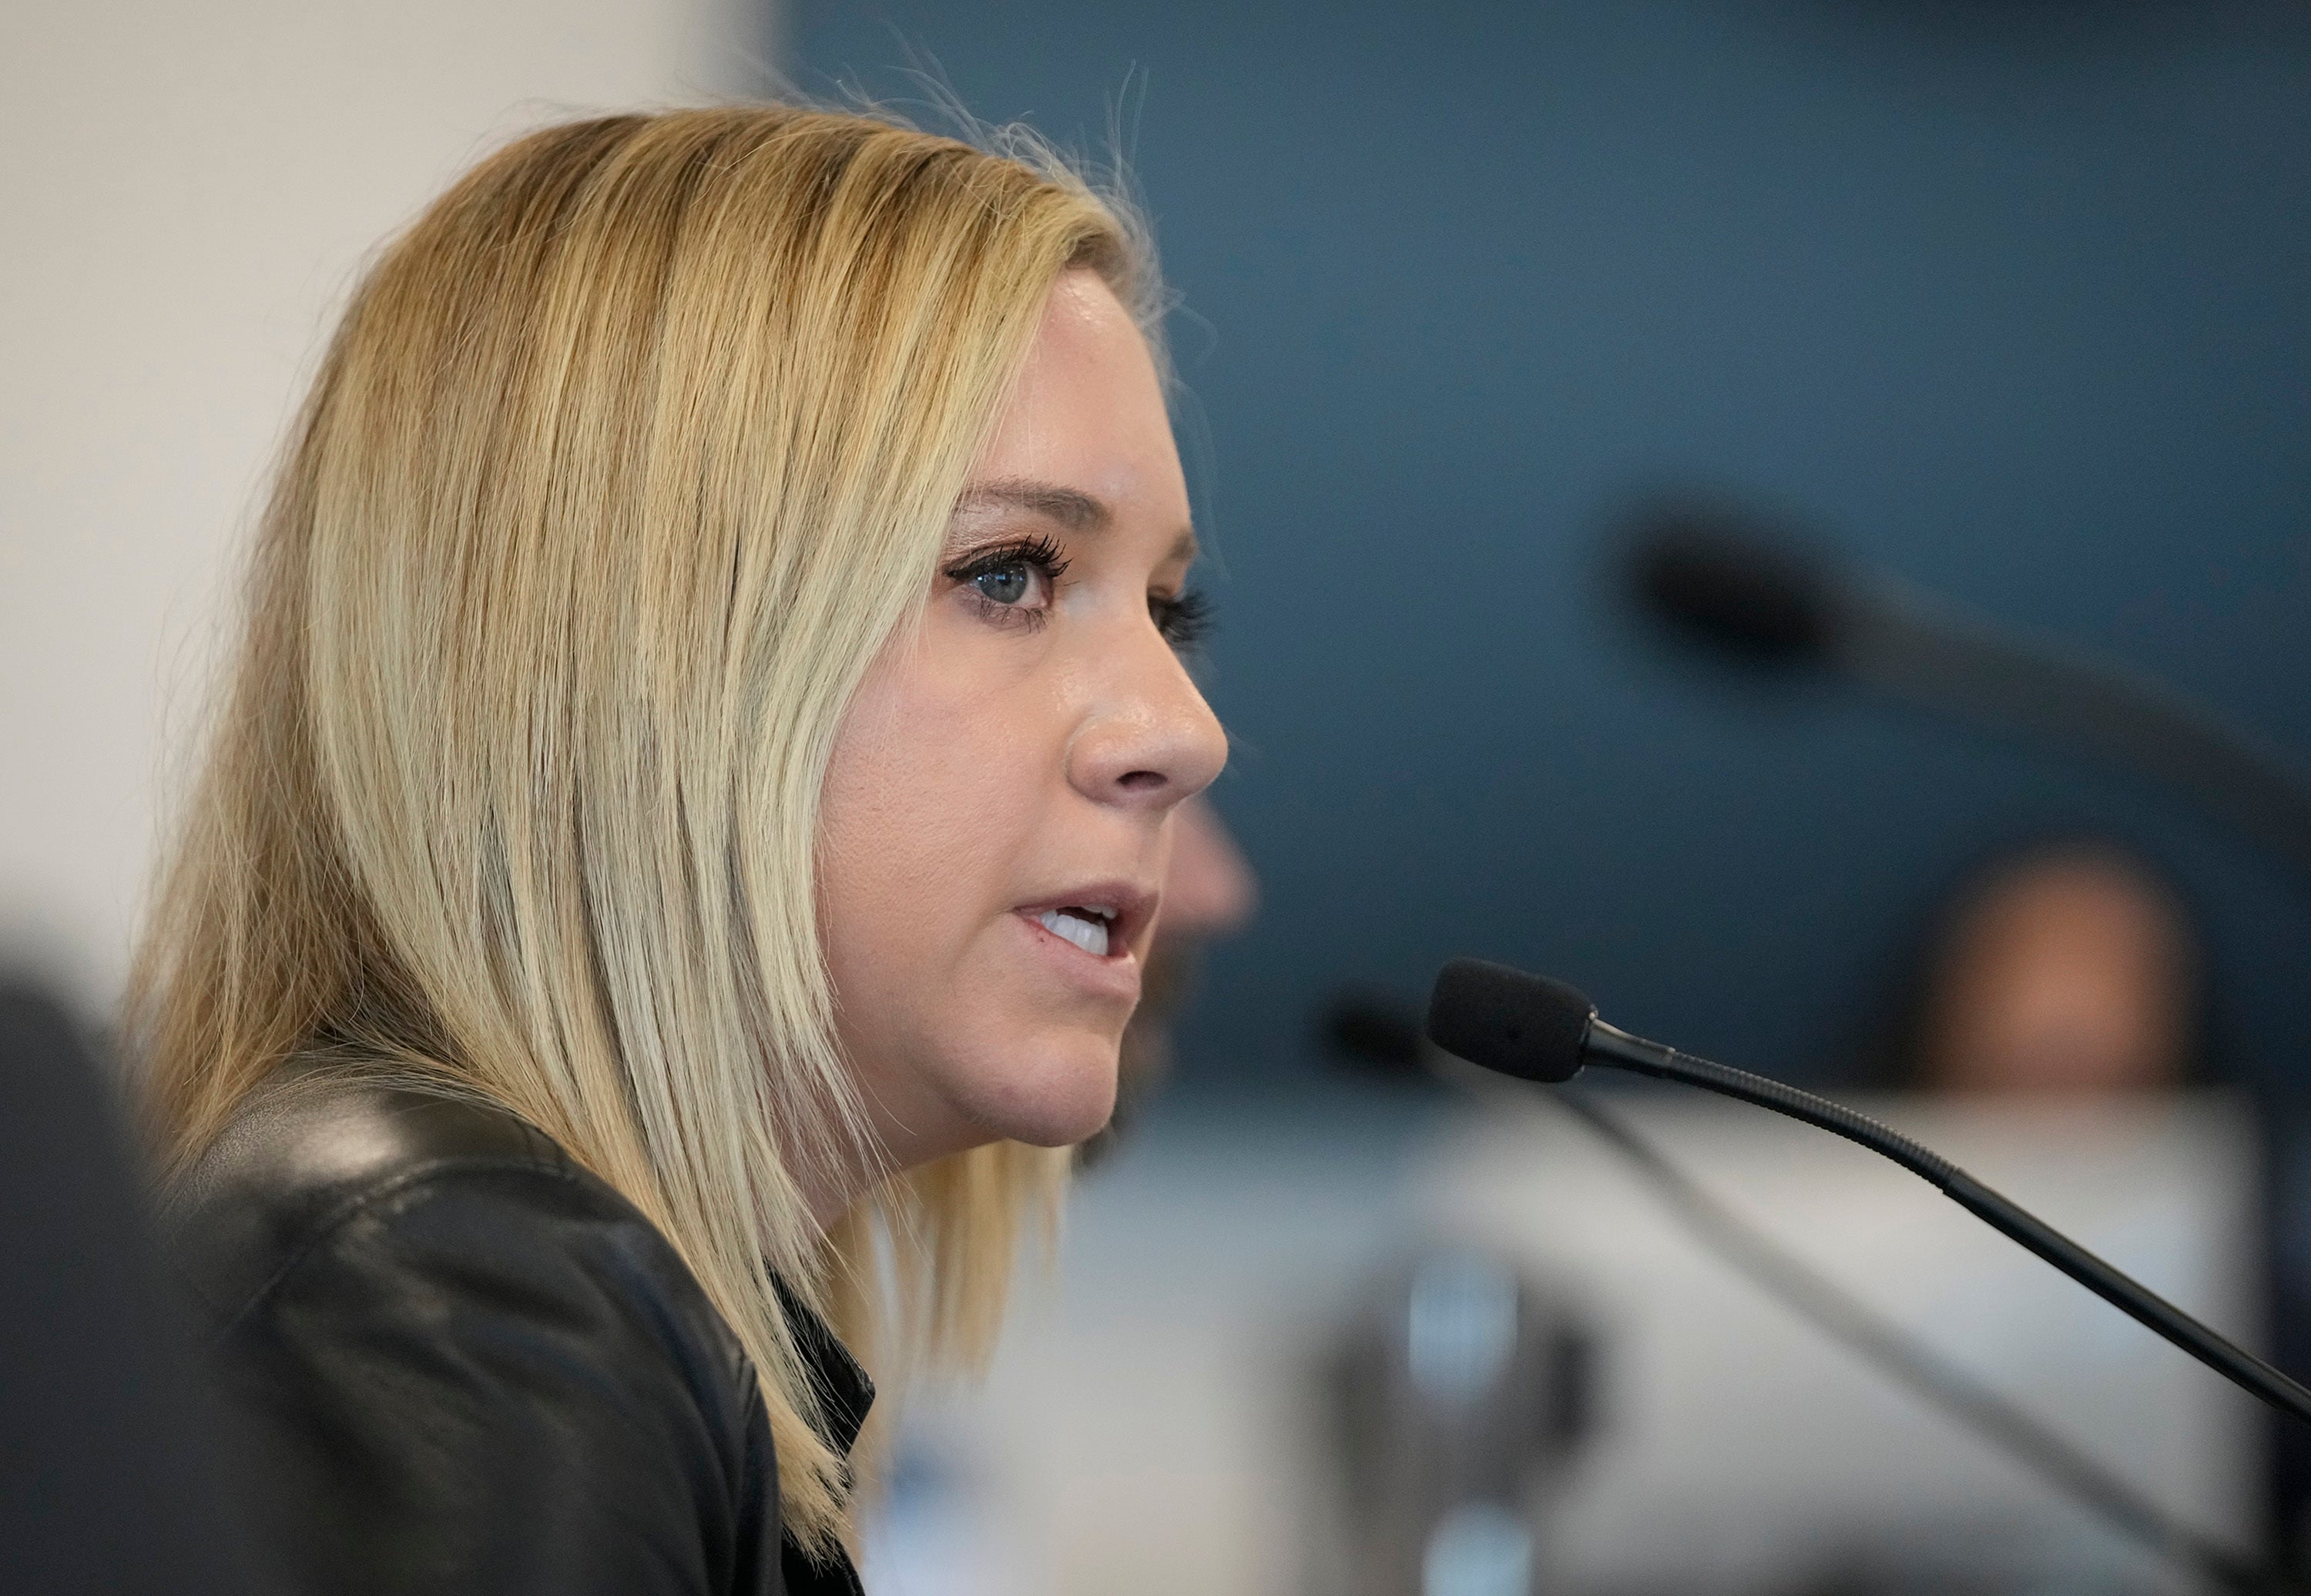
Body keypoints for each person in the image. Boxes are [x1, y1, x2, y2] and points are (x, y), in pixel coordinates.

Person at [127, 105, 1226, 1595]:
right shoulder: (465, 1294)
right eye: (1011, 574)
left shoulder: (500, 1275)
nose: (1182, 729)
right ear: (627, 653)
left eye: (1168, 610)